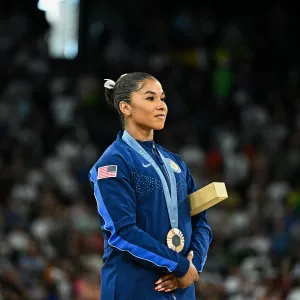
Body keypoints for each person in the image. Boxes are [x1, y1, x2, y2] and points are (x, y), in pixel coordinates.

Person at [88, 72, 212, 300]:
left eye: (162, 99)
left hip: (182, 287)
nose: (161, 106)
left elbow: (200, 220)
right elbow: (122, 232)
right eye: (150, 98)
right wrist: (180, 265)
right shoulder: (113, 163)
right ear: (125, 108)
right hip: (135, 286)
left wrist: (193, 266)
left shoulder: (176, 163)